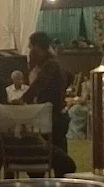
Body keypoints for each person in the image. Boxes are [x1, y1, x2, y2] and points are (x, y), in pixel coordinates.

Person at [20, 32, 72, 162]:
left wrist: (23, 100)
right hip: (51, 114)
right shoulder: (49, 63)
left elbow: (39, 84)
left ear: (38, 47)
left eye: (31, 46)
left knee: (52, 155)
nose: (29, 49)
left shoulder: (50, 65)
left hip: (52, 117)